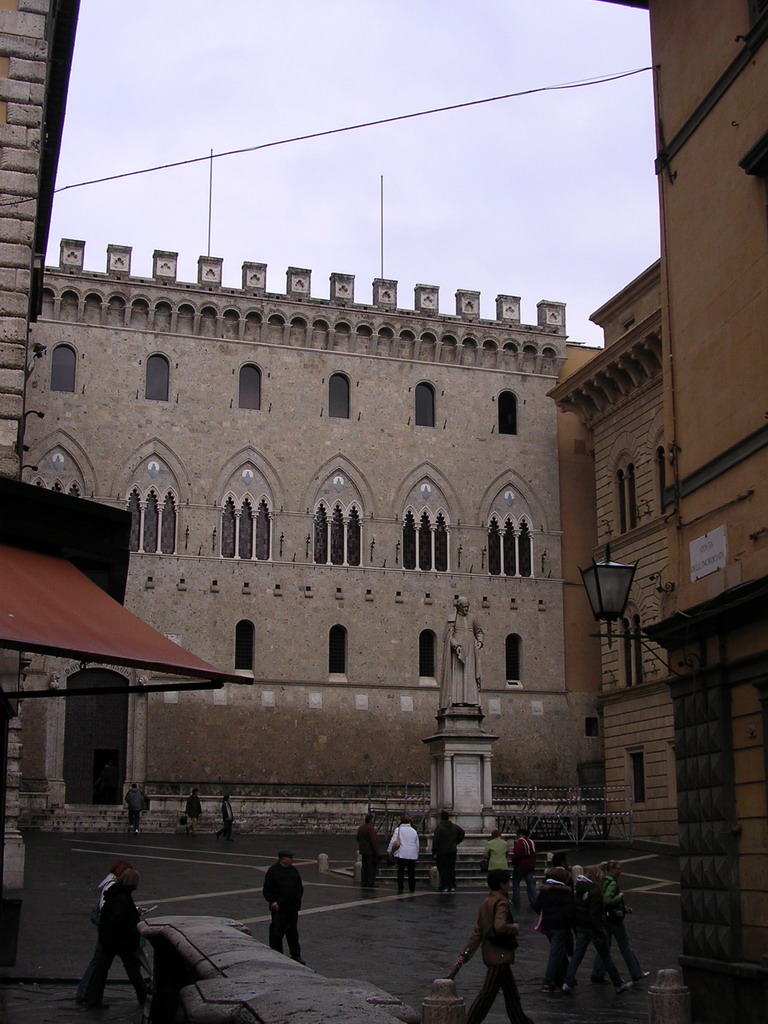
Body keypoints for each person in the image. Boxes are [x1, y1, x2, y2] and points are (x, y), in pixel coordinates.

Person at [454, 869, 534, 1024]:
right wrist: (514, 928)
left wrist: (465, 953)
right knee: (487, 993)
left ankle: (521, 1021)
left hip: (491, 954)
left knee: (511, 994)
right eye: (507, 883)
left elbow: (478, 932)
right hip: (499, 955)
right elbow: (500, 926)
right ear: (502, 885)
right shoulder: (501, 902)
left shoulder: (486, 902)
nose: (509, 886)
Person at [562, 865, 632, 996]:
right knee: (606, 956)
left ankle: (568, 981)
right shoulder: (595, 892)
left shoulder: (580, 889)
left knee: (577, 955)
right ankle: (618, 983)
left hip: (582, 927)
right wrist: (599, 931)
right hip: (592, 929)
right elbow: (594, 914)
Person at [83, 867, 147, 1008]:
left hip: (108, 939)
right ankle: (144, 996)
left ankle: (92, 998)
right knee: (133, 971)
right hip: (122, 941)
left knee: (101, 970)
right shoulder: (124, 898)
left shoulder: (112, 894)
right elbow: (120, 920)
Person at [75, 858, 133, 1005]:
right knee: (99, 964)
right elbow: (106, 907)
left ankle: (86, 993)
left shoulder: (111, 885)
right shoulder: (112, 886)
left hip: (108, 931)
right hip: (110, 932)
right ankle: (85, 993)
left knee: (98, 963)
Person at [590, 860, 650, 984]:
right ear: (612, 870)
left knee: (604, 947)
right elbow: (608, 900)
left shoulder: (604, 880)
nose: (620, 871)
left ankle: (597, 973)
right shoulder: (612, 883)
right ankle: (636, 972)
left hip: (604, 918)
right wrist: (620, 897)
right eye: (618, 869)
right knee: (625, 946)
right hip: (614, 920)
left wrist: (623, 908)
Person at [532, 865, 574, 993]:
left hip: (548, 925)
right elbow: (569, 912)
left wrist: (545, 913)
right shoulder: (565, 893)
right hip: (560, 926)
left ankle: (564, 978)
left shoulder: (545, 891)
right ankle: (548, 982)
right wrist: (572, 925)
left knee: (559, 953)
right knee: (556, 954)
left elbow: (536, 905)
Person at [439, 596, 484, 709]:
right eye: (464, 607)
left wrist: (480, 642)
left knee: (470, 675)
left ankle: (471, 700)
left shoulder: (472, 618)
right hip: (458, 653)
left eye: (467, 607)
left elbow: (479, 631)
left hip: (470, 651)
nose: (466, 609)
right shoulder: (452, 618)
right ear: (459, 607)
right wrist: (456, 645)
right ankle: (457, 700)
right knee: (458, 675)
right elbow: (448, 636)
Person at [262, 848, 305, 964]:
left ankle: (296, 955)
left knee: (293, 933)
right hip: (279, 909)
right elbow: (267, 890)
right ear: (283, 859)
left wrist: (298, 899)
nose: (292, 859)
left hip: (292, 908)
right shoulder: (273, 871)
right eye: (290, 857)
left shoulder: (294, 870)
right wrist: (273, 902)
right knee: (277, 933)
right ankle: (277, 955)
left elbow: (299, 886)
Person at [432, 809, 465, 892]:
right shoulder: (454, 826)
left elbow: (435, 841)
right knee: (451, 868)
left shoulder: (439, 828)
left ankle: (444, 886)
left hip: (442, 852)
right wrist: (457, 841)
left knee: (443, 869)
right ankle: (452, 885)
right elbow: (462, 832)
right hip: (452, 850)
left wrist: (434, 851)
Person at [387, 815, 420, 894]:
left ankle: (400, 886)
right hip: (412, 853)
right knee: (411, 872)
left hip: (401, 852)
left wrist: (389, 850)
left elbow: (393, 841)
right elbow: (417, 843)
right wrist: (416, 853)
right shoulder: (413, 831)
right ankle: (412, 887)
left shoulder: (398, 830)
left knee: (401, 871)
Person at [511, 828, 537, 909]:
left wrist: (514, 862)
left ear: (521, 834)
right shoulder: (531, 842)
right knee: (530, 883)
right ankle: (534, 900)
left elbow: (517, 854)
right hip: (530, 866)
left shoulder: (520, 842)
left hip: (520, 866)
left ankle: (515, 900)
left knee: (516, 882)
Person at [356, 814, 380, 888]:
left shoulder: (360, 828)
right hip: (370, 851)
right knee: (371, 868)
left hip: (363, 851)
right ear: (371, 820)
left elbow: (357, 838)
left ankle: (364, 882)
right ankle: (370, 882)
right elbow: (374, 841)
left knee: (365, 867)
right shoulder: (370, 829)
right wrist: (377, 852)